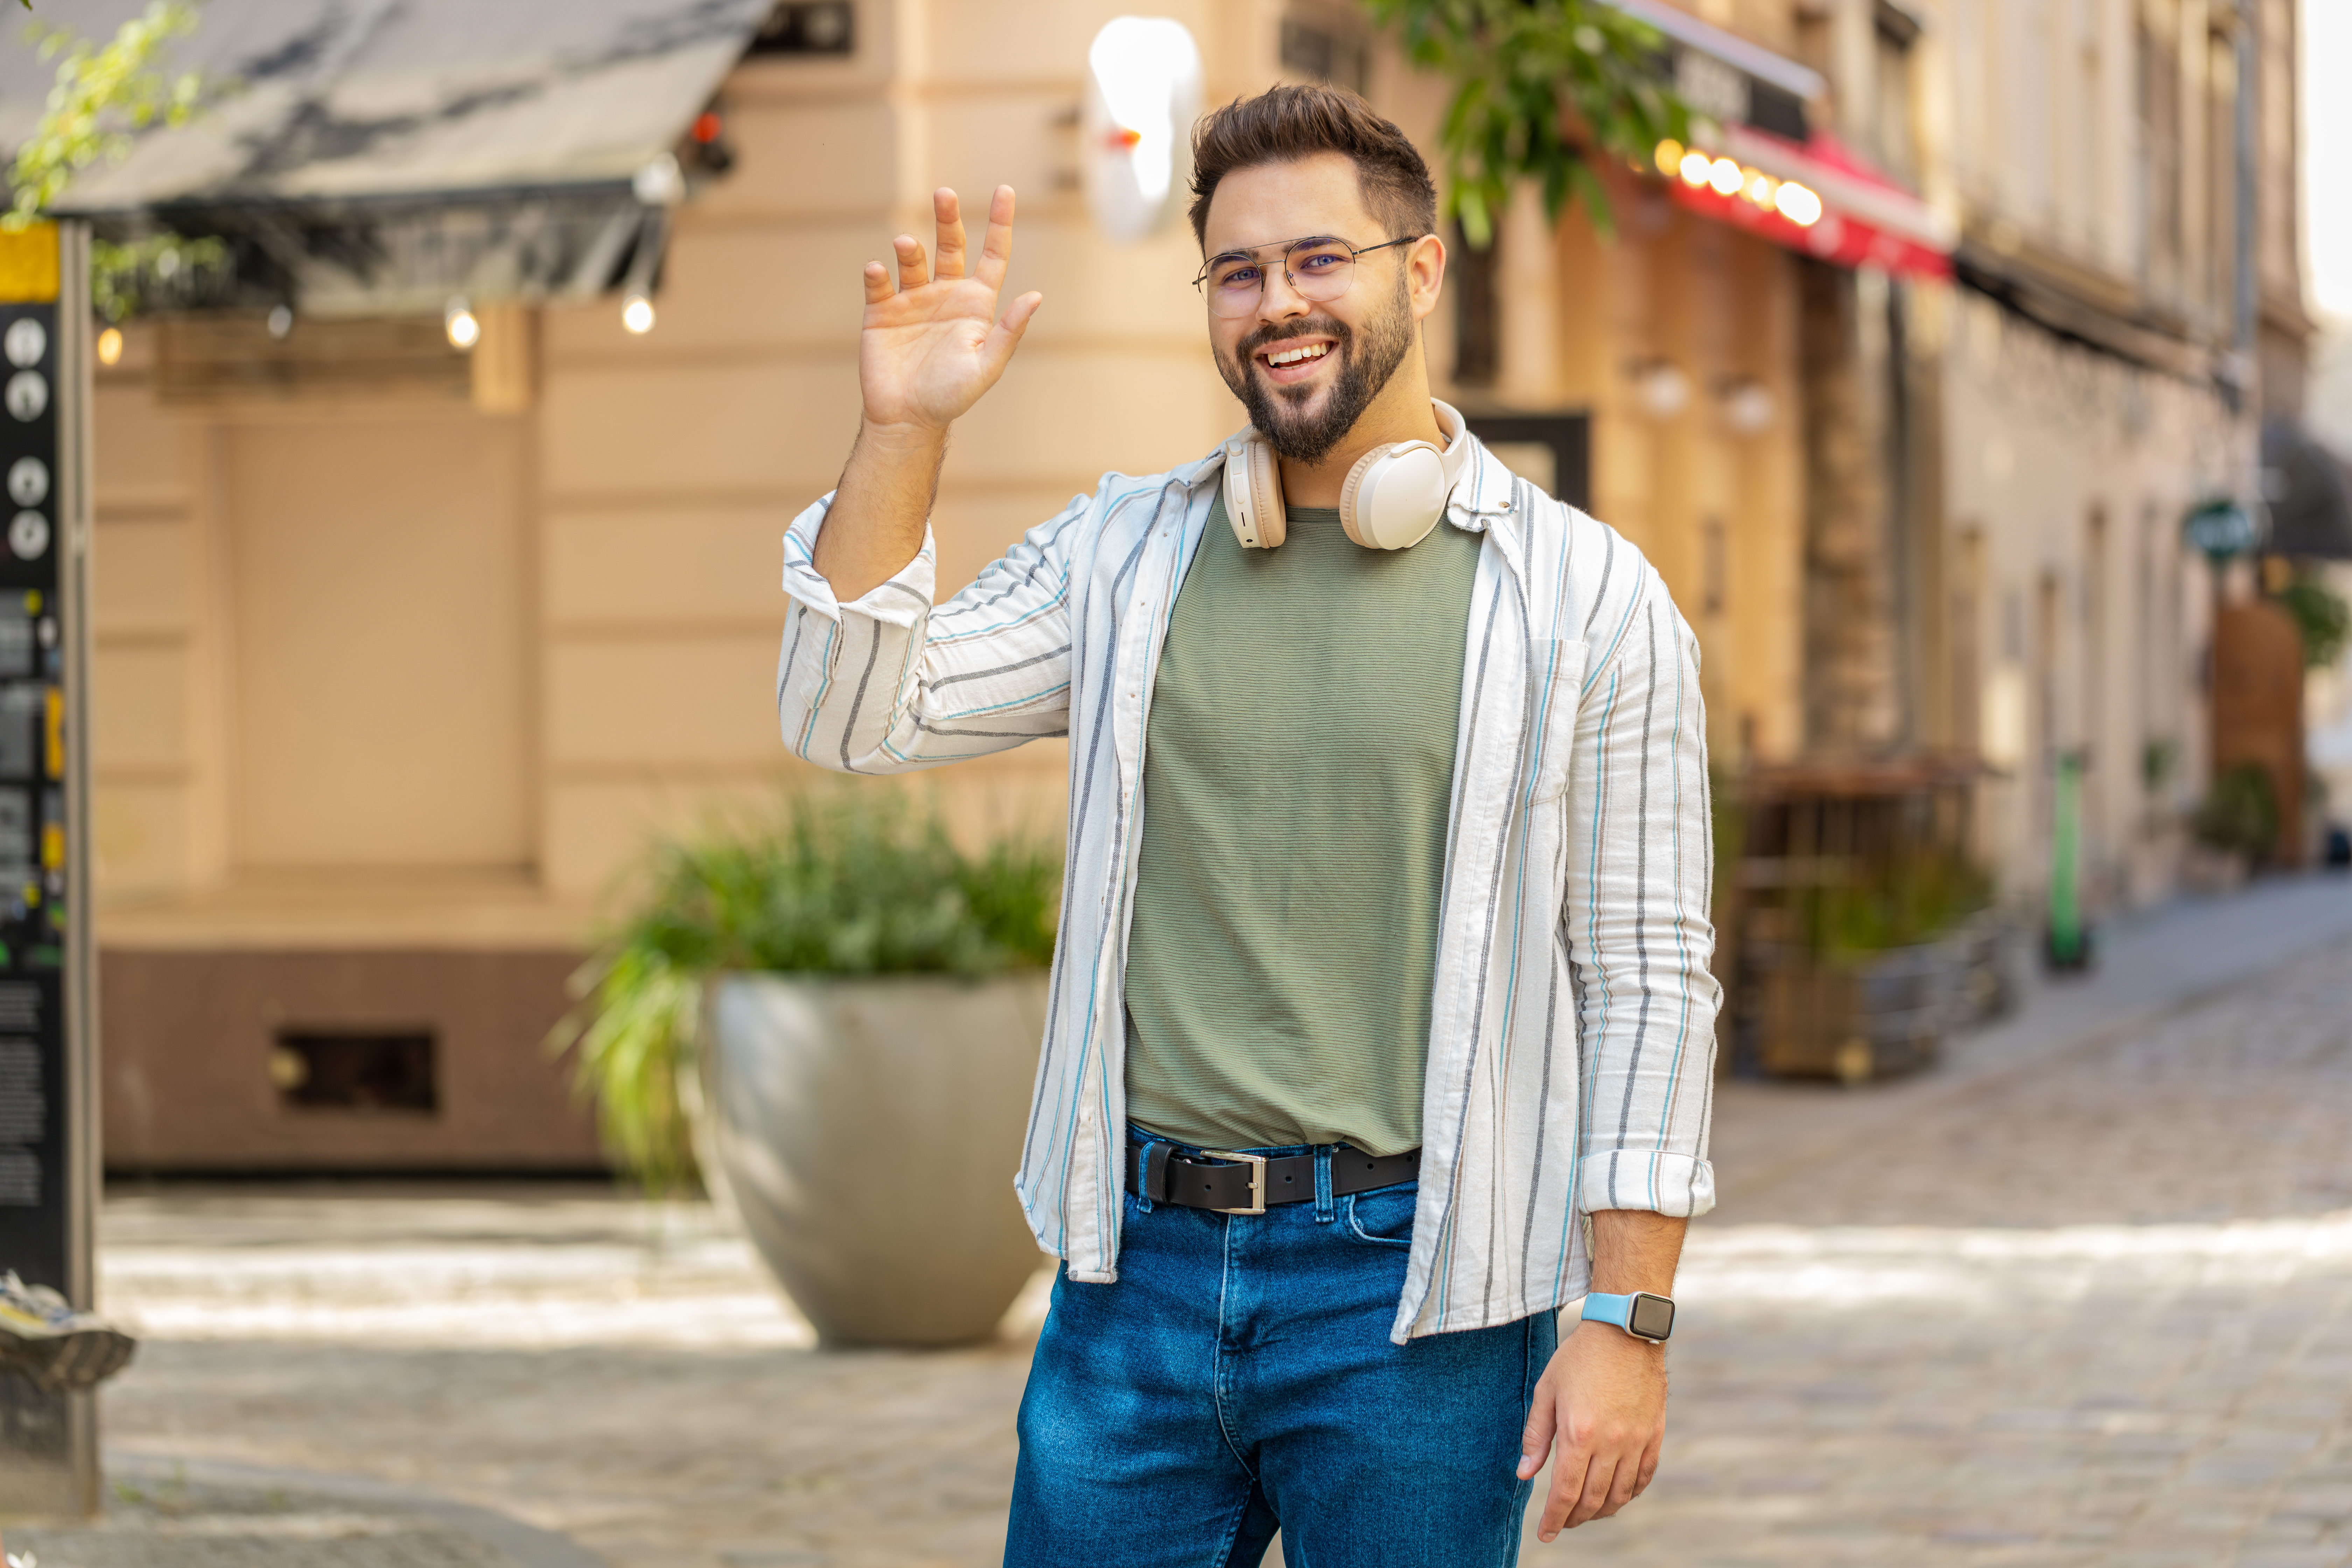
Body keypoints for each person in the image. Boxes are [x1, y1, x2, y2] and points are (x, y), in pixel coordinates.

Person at [775, 83, 1718, 1566]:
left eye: (1319, 259)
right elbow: (855, 714)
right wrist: (902, 432)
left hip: (1422, 1294)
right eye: (1237, 271)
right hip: (1133, 1274)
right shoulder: (1125, 557)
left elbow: (1649, 974)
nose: (1277, 303)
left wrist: (1626, 1318)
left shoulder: (1588, 600)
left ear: (1419, 270)